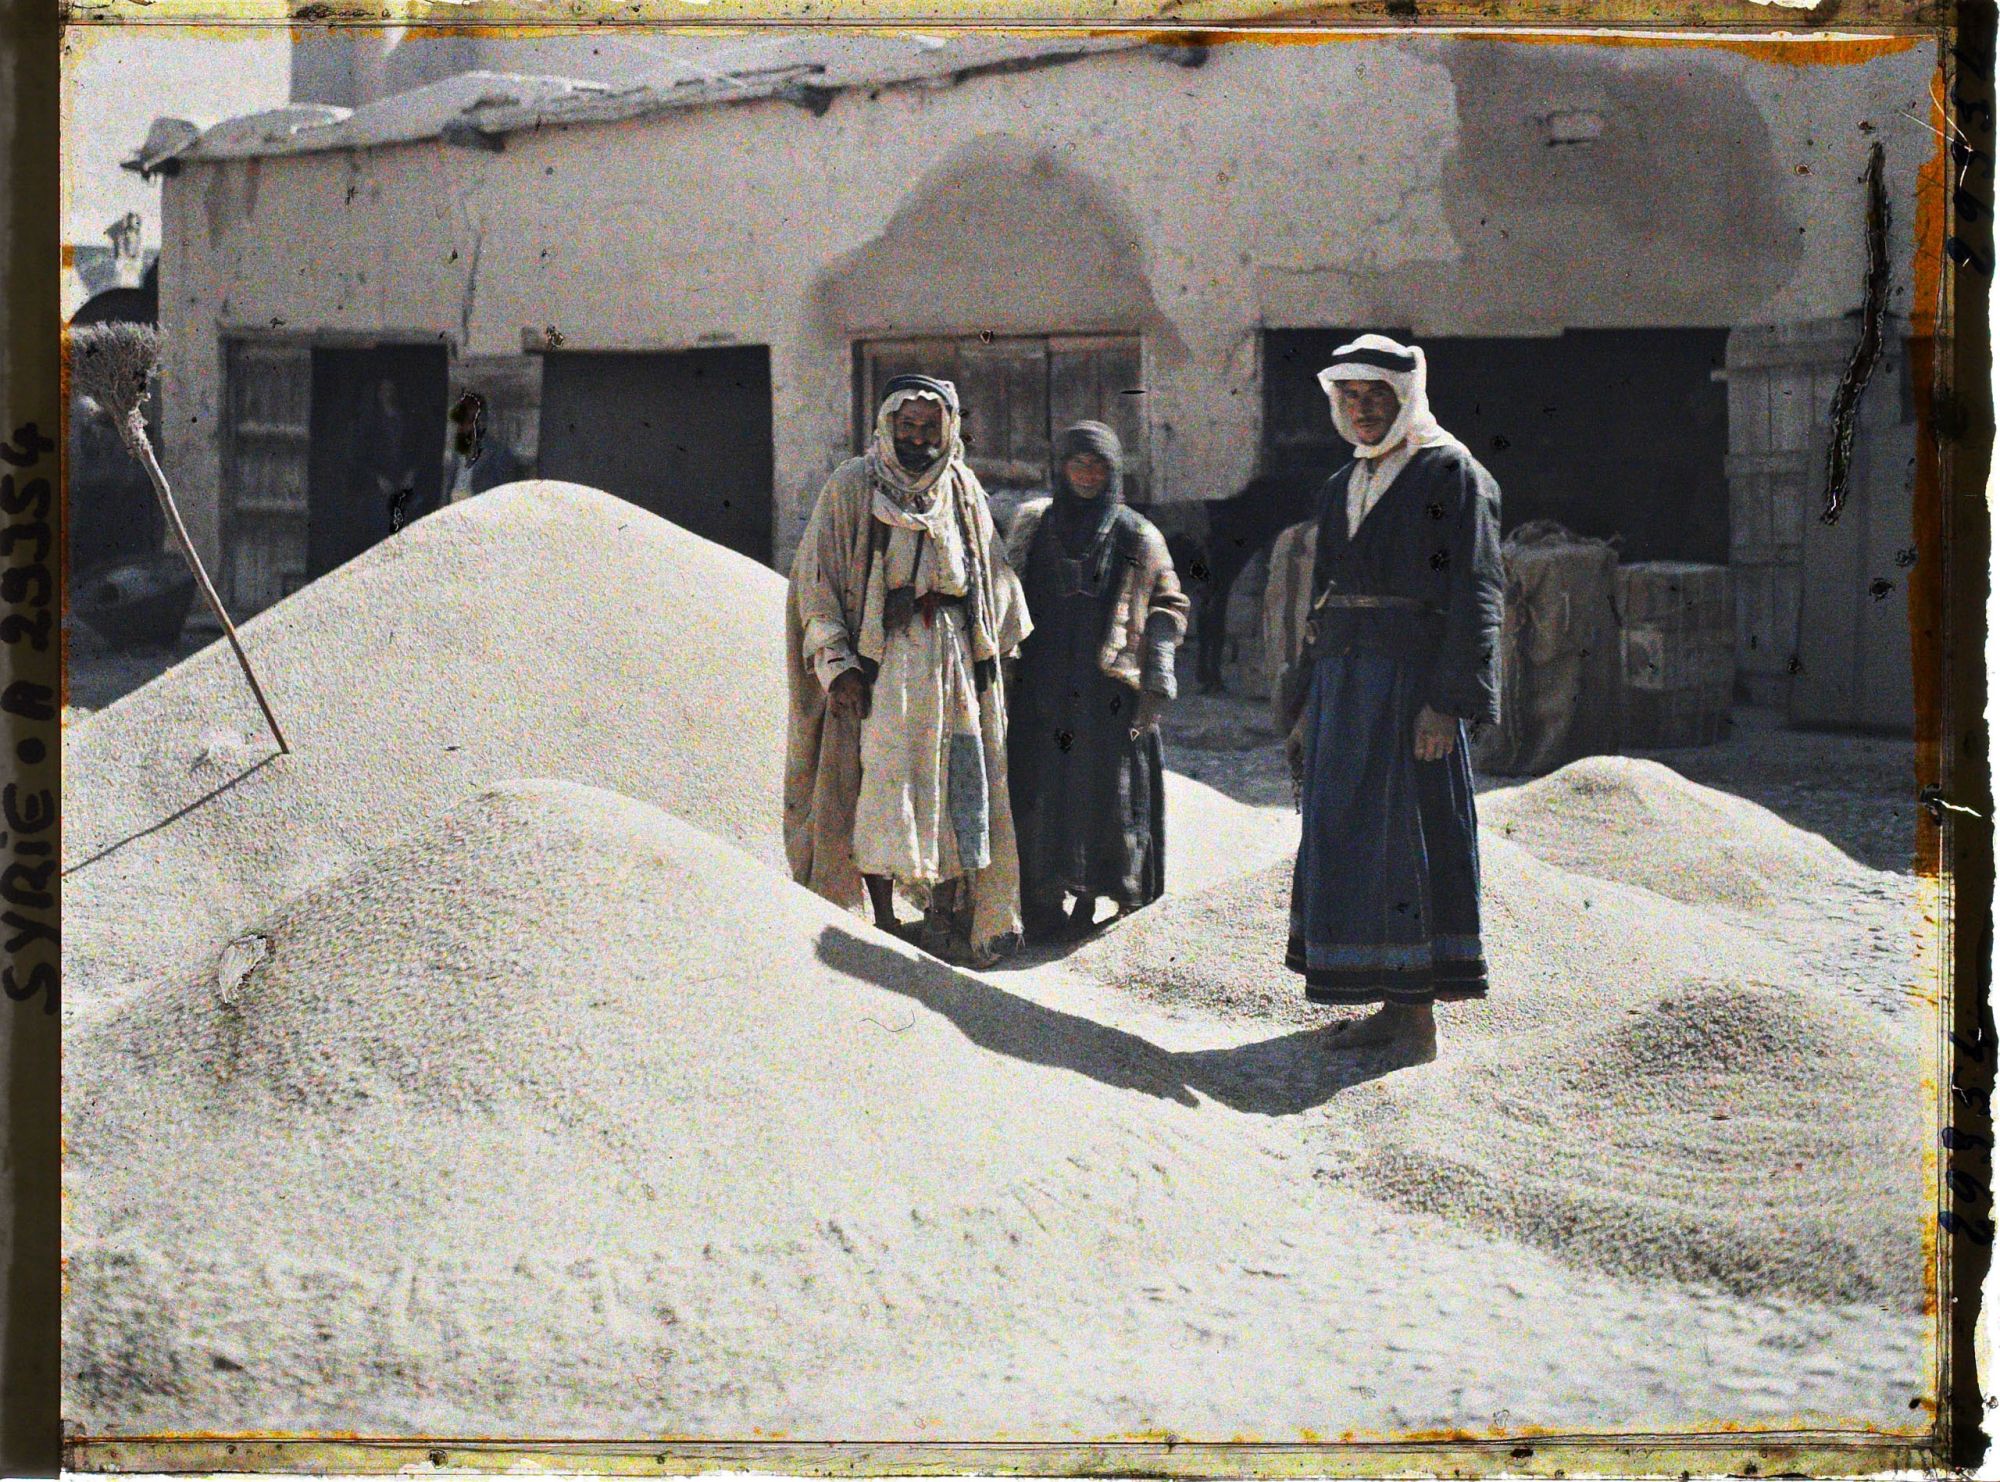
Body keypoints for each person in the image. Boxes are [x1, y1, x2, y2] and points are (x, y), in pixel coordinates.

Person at [1276, 334, 1503, 1060]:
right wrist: (1308, 703)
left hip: (1411, 688)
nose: (1366, 410)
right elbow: (1324, 600)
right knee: (1349, 836)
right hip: (1345, 686)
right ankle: (1388, 1005)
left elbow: (1478, 590)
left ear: (1407, 399)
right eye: (1352, 397)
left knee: (1410, 837)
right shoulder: (1341, 482)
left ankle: (1417, 1019)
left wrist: (1448, 702)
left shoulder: (1450, 473)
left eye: (1380, 396)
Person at [784, 375, 1031, 968]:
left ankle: (946, 919)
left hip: (950, 661)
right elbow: (815, 586)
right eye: (908, 426)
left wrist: (996, 656)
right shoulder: (852, 487)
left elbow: (993, 578)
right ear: (888, 426)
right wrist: (837, 665)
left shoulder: (963, 489)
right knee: (882, 784)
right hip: (883, 663)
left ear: (948, 430)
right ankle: (884, 919)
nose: (918, 439)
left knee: (958, 785)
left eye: (930, 427)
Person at [1005, 421, 1189, 943]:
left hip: (1107, 688)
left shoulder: (1137, 533)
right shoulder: (1031, 527)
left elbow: (1169, 605)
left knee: (1102, 790)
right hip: (1042, 683)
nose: (1088, 474)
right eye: (1078, 463)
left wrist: (1155, 677)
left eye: (1100, 465)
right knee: (1039, 789)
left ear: (1114, 471)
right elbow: (1003, 592)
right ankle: (1041, 904)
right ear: (1060, 467)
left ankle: (1091, 901)